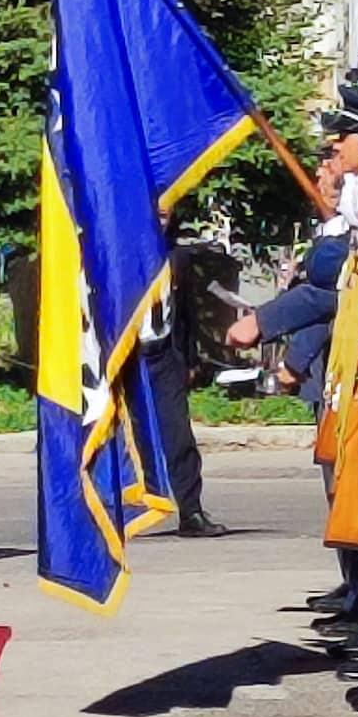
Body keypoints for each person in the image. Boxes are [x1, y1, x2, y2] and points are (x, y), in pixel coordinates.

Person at [140, 230, 228, 538]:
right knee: (117, 439)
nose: (161, 219)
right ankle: (107, 514)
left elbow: (186, 313)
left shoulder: (176, 258)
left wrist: (190, 359)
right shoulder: (118, 255)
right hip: (126, 357)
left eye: (167, 213)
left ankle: (191, 511)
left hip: (163, 354)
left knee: (178, 435)